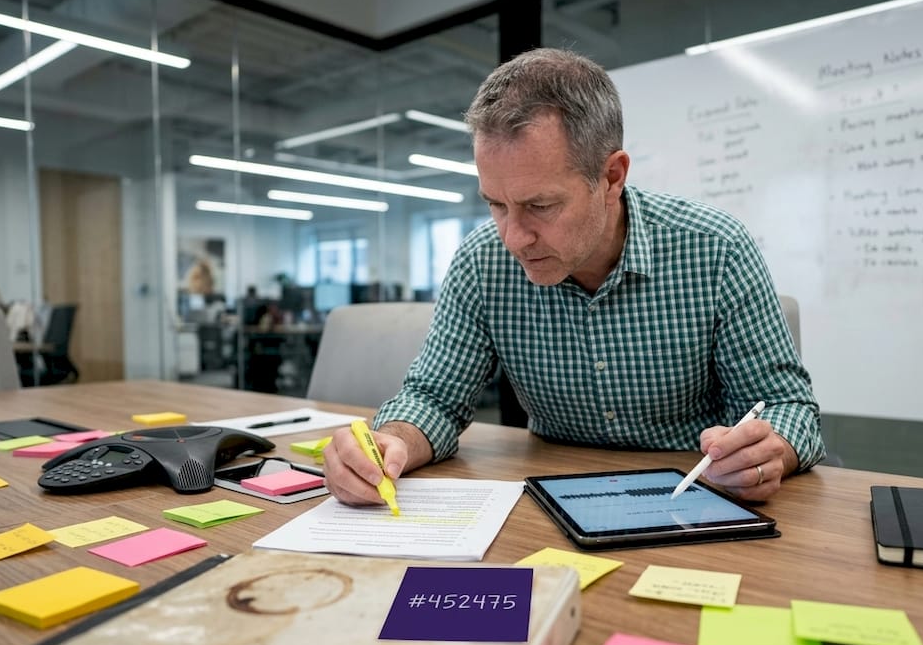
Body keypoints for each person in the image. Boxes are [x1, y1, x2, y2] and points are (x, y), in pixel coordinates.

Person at [323, 48, 825, 506]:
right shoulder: (482, 263)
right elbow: (434, 398)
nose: (514, 237)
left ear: (611, 177)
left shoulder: (716, 249)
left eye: (540, 205)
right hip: (556, 498)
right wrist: (391, 443)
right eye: (495, 205)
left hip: (694, 499)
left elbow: (789, 407)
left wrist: (769, 449)